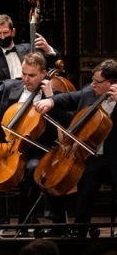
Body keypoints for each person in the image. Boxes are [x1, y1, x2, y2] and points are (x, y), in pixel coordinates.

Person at [0, 52, 66, 236]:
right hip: (7, 146)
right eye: (24, 73)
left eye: (31, 75)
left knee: (32, 169)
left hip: (36, 151)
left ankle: (24, 224)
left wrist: (51, 99)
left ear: (43, 74)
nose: (26, 79)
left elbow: (66, 120)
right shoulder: (11, 85)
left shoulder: (53, 95)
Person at [34, 59, 117, 237]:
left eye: (97, 82)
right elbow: (70, 97)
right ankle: (79, 229)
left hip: (115, 157)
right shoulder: (90, 91)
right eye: (93, 80)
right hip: (94, 157)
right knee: (85, 175)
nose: (93, 84)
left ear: (111, 83)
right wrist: (51, 102)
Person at [0, 14, 60, 81]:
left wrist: (48, 49)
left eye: (5, 32)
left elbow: (55, 65)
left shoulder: (28, 49)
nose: (2, 37)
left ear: (13, 32)